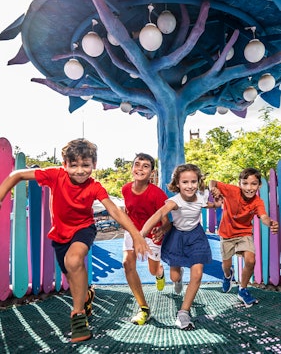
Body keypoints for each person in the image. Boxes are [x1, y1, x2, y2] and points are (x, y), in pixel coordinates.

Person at [0, 139, 150, 343]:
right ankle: (86, 297)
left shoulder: (95, 187)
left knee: (74, 261)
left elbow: (114, 210)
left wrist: (136, 234)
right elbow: (16, 175)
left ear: (94, 165)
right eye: (74, 165)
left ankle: (78, 317)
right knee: (72, 276)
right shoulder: (55, 175)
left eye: (85, 165)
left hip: (83, 229)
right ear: (65, 165)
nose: (80, 171)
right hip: (60, 234)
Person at [141, 163, 221, 330]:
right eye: (185, 182)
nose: (190, 186)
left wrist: (218, 204)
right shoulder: (174, 202)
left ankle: (183, 312)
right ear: (177, 183)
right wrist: (140, 235)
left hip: (196, 236)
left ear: (198, 182)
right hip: (177, 237)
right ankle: (179, 275)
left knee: (197, 273)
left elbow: (209, 204)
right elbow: (158, 214)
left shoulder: (201, 197)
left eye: (193, 181)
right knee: (175, 277)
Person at [209, 167, 279, 307]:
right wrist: (213, 189)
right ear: (239, 183)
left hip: (244, 233)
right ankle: (228, 275)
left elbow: (263, 216)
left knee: (251, 260)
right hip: (227, 234)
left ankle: (243, 290)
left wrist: (270, 222)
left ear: (259, 185)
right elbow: (212, 181)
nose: (249, 187)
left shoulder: (258, 202)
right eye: (245, 183)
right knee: (226, 265)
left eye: (253, 184)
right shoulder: (232, 191)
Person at [122, 153, 171, 325]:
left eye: (145, 166)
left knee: (152, 270)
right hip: (133, 231)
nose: (140, 169)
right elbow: (128, 211)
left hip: (152, 235)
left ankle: (160, 272)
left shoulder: (157, 194)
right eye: (137, 164)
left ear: (152, 172)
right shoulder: (125, 189)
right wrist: (127, 225)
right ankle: (144, 308)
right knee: (127, 263)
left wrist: (162, 230)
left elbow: (167, 223)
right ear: (132, 168)